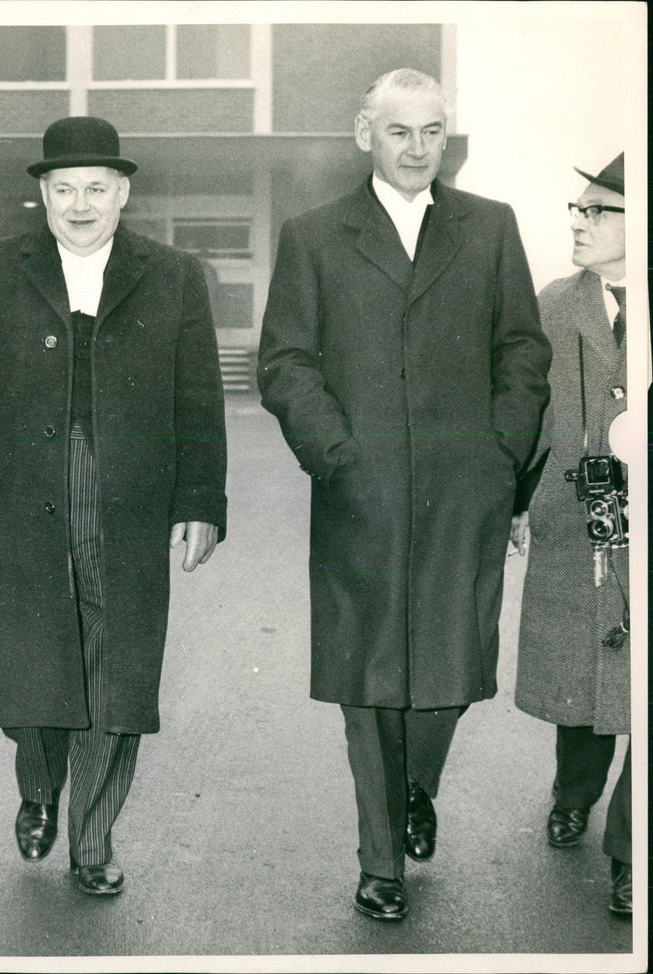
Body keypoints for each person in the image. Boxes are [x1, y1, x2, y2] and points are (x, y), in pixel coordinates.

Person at [257, 69, 551, 920]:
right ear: (365, 133)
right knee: (369, 674)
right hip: (362, 491)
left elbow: (522, 350)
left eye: (432, 132)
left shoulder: (490, 227)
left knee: (452, 668)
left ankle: (415, 783)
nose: (418, 148)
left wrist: (502, 452)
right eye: (400, 131)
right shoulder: (315, 235)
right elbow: (286, 361)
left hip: (469, 490)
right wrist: (336, 454)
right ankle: (379, 857)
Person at [0, 116, 227, 897]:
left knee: (115, 664)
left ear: (124, 192)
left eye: (97, 187)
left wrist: (201, 500)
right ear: (42, 195)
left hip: (128, 493)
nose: (81, 203)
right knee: (32, 660)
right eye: (64, 188)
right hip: (26, 491)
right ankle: (38, 782)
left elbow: (200, 402)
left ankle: (92, 841)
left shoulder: (174, 275)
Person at [511, 153, 631, 916]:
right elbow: (525, 414)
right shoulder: (556, 304)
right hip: (572, 520)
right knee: (585, 680)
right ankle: (574, 791)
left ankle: (630, 853)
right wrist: (514, 502)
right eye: (576, 209)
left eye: (599, 211)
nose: (577, 222)